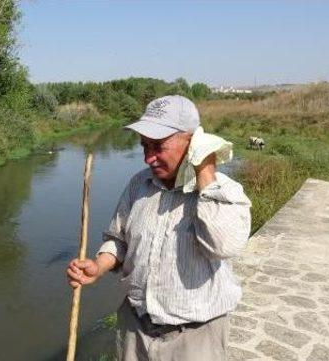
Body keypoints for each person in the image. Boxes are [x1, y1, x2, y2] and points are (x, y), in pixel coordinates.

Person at [66, 95, 251, 361]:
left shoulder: (223, 192)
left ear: (192, 143)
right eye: (144, 146)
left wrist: (206, 172)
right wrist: (98, 267)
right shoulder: (138, 185)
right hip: (135, 329)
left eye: (158, 146)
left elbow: (223, 246)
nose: (148, 158)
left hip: (194, 339)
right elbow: (118, 239)